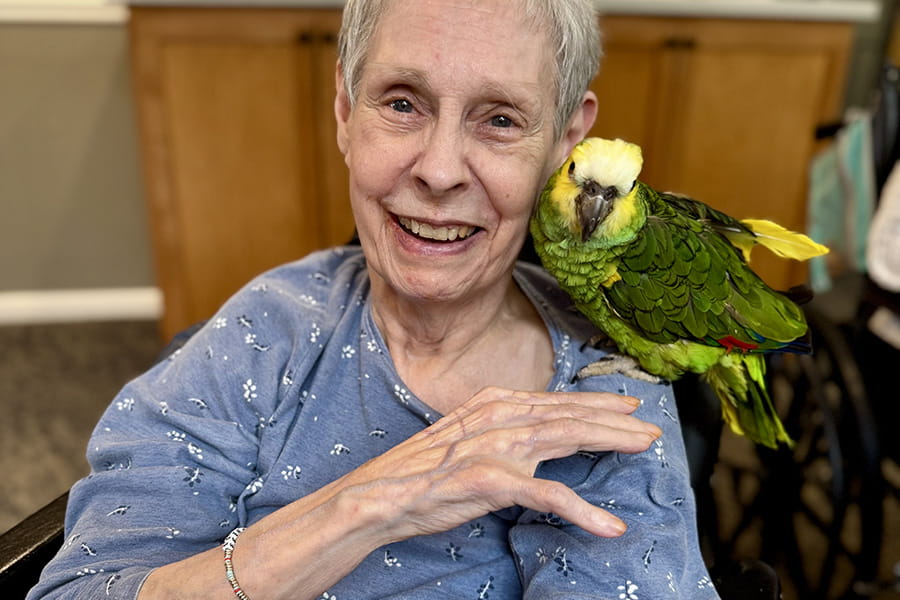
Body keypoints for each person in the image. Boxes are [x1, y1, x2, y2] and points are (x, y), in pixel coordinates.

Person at [27, 0, 720, 598]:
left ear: (567, 138)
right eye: (402, 103)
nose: (440, 171)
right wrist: (363, 508)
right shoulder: (267, 327)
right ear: (344, 111)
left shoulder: (601, 395)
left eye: (501, 120)